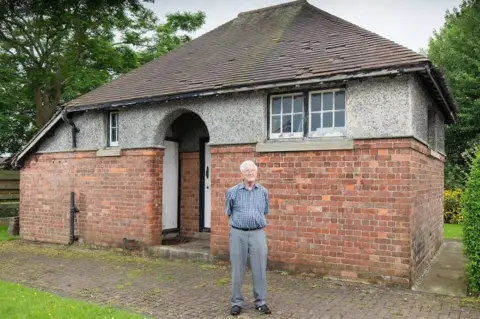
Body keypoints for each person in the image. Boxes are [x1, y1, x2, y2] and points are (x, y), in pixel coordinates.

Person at [225, 160, 272, 316]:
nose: (251, 173)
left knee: (259, 269)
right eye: (247, 170)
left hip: (258, 233)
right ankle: (237, 302)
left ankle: (261, 302)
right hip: (238, 233)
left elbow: (264, 211)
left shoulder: (264, 192)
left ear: (256, 173)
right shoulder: (232, 192)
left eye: (253, 170)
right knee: (237, 269)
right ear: (242, 174)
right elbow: (229, 212)